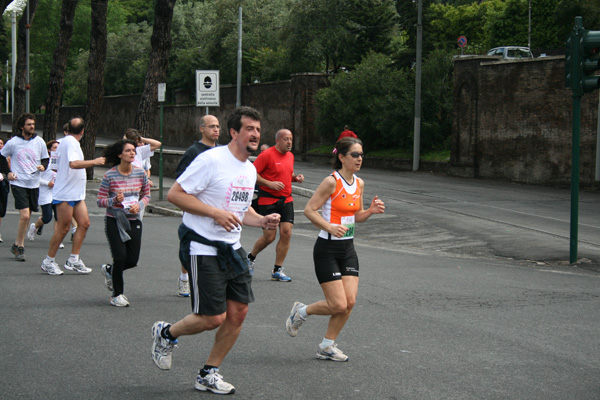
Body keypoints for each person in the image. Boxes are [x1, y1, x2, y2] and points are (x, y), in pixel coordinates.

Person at [150, 106, 280, 395]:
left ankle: (209, 373)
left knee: (239, 313)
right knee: (213, 317)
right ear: (233, 132)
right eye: (249, 128)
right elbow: (175, 195)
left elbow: (241, 208)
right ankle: (165, 333)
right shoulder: (211, 160)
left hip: (232, 248)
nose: (255, 134)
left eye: (258, 129)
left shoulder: (249, 168)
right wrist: (214, 213)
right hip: (202, 246)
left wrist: (261, 220)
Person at [285, 137, 385, 362]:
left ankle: (326, 346)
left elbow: (356, 217)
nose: (360, 159)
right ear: (341, 157)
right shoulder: (331, 182)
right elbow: (310, 210)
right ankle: (301, 311)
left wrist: (370, 211)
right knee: (337, 304)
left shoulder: (359, 184)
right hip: (327, 249)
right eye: (355, 155)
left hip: (348, 248)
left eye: (361, 154)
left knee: (349, 302)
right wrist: (329, 226)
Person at [40, 117, 105, 276]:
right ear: (83, 131)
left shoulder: (68, 142)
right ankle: (48, 261)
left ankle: (73, 259)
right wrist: (94, 161)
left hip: (76, 192)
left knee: (84, 224)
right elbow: (73, 164)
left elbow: (56, 167)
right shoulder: (69, 142)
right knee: (64, 228)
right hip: (65, 193)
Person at [97, 140, 150, 307]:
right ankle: (116, 295)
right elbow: (100, 201)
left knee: (132, 260)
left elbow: (147, 195)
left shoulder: (140, 173)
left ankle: (110, 271)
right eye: (128, 151)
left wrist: (139, 205)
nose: (132, 153)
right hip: (115, 220)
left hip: (134, 220)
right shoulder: (110, 175)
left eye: (133, 150)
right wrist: (114, 200)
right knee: (119, 257)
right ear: (120, 154)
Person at [247, 128, 304, 281]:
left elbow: (287, 174)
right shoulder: (266, 155)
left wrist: (295, 178)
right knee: (269, 237)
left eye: (291, 139)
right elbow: (252, 173)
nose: (289, 142)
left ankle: (277, 270)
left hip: (286, 200)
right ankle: (250, 258)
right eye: (286, 139)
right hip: (268, 200)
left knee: (287, 233)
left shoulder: (290, 156)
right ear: (278, 141)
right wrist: (269, 184)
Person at [173, 114, 220, 297]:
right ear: (202, 129)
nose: (216, 129)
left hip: (215, 208)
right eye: (211, 126)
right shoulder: (193, 151)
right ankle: (185, 278)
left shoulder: (221, 151)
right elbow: (180, 178)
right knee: (191, 244)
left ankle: (209, 282)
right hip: (195, 207)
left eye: (217, 126)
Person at [0, 113, 49, 261]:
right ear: (22, 126)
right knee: (25, 215)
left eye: (33, 124)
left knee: (27, 217)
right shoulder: (13, 142)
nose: (32, 127)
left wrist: (43, 166)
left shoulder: (39, 141)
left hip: (33, 183)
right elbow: (1, 157)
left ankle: (16, 245)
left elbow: (46, 159)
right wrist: (8, 173)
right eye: (29, 124)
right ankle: (20, 246)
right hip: (18, 182)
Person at [26, 140, 65, 249]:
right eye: (55, 148)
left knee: (59, 218)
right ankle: (35, 226)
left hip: (58, 193)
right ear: (49, 149)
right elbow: (37, 178)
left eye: (59, 148)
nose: (57, 150)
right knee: (47, 217)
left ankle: (57, 240)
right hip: (46, 192)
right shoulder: (45, 163)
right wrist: (47, 183)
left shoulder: (62, 162)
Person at [0, 138, 9, 244]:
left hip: (3, 184)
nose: (0, 145)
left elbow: (9, 171)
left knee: (1, 210)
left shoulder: (7, 157)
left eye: (1, 143)